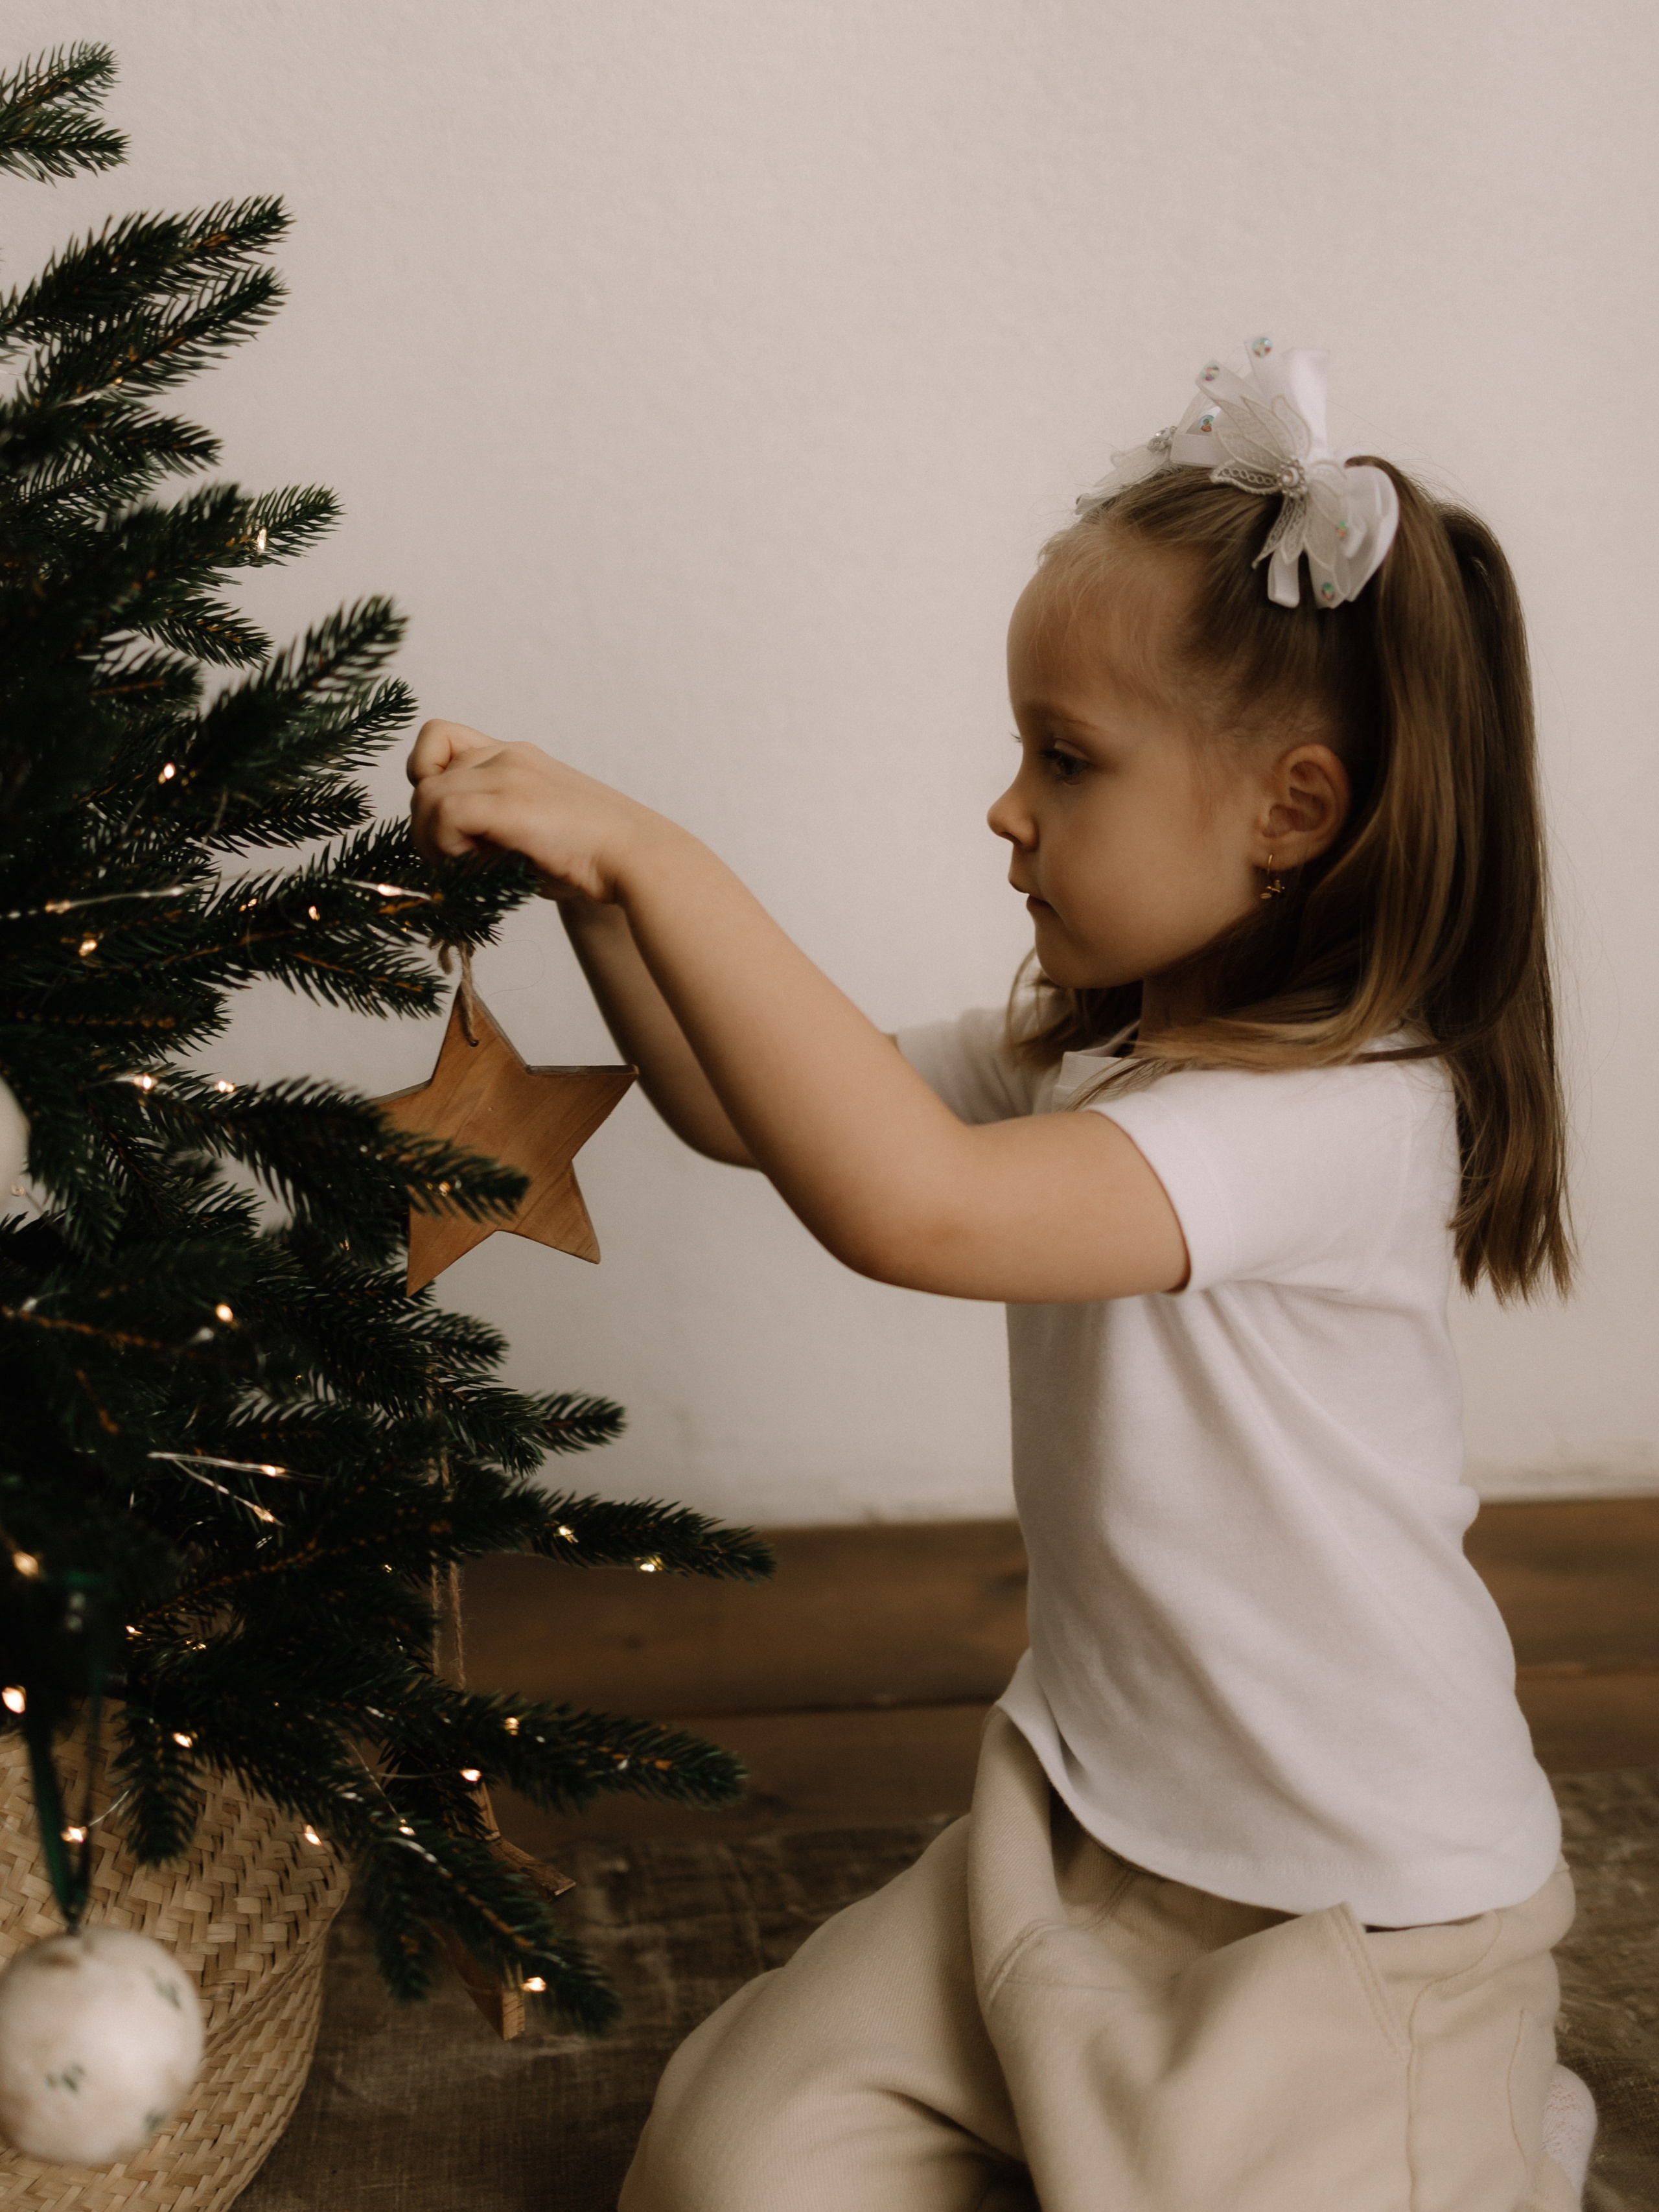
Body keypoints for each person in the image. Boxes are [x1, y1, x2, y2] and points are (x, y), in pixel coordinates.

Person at [408, 340, 1597, 2211]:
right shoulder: (1087, 1053)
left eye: (1068, 758)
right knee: (724, 2172)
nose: (1007, 808)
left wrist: (663, 850)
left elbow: (920, 1213)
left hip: (1355, 1917)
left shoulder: (1339, 1121)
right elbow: (750, 1112)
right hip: (1080, 1836)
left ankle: (1473, 2123)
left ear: (1291, 810)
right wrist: (599, 896)